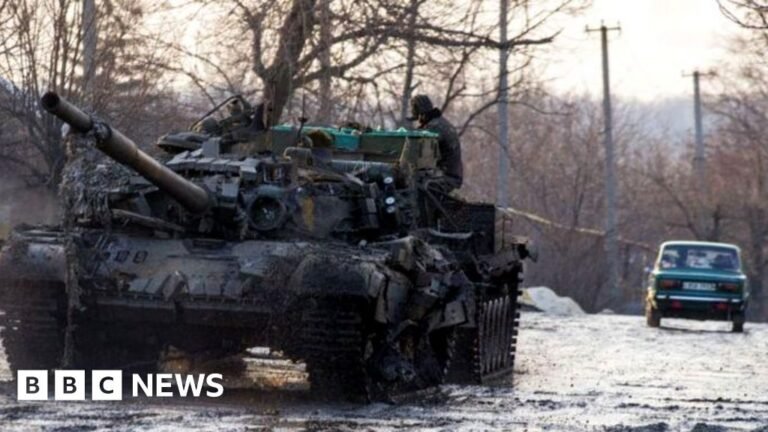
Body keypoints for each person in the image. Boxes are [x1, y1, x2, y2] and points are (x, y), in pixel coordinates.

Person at [410, 94, 463, 192]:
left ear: (422, 114)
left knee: (412, 182)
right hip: (448, 176)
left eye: (418, 117)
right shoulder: (438, 123)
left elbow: (424, 161)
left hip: (446, 177)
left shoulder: (434, 128)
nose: (419, 122)